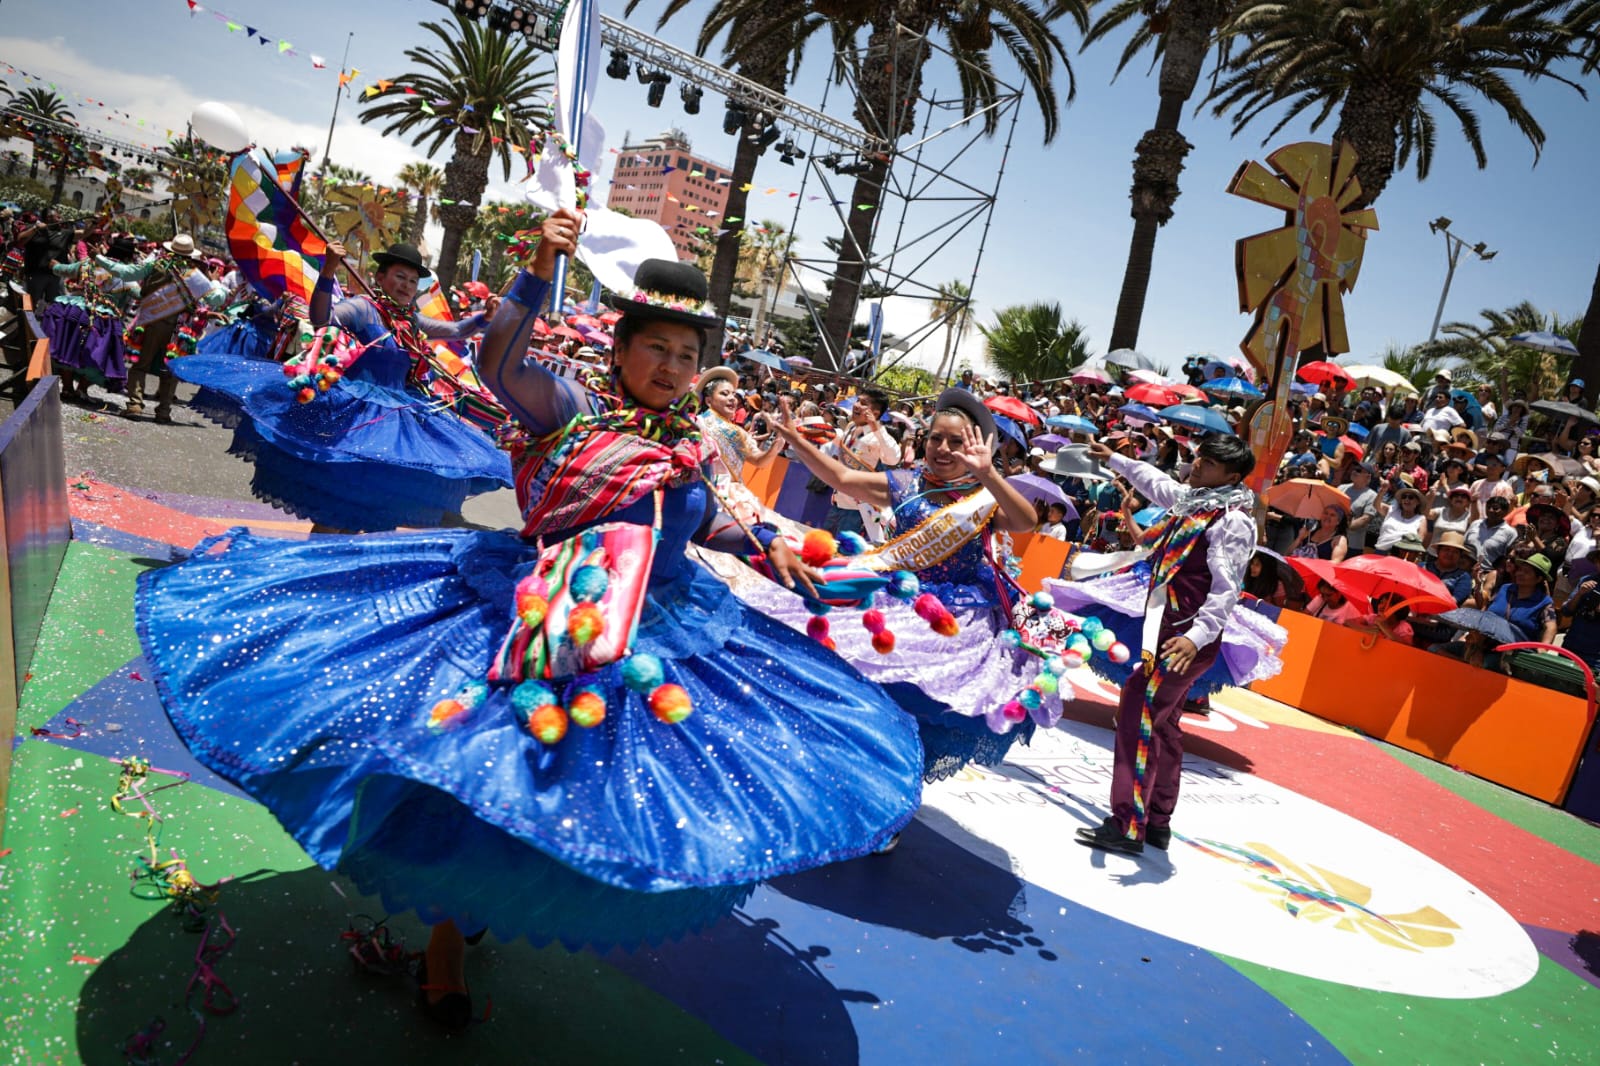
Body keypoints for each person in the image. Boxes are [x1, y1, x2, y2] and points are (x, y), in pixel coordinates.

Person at [136, 212, 923, 1031]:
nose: (673, 365)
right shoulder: (571, 409)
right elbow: (498, 358)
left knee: (577, 781)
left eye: (688, 355)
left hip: (657, 632)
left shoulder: (694, 442)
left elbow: (705, 523)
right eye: (658, 347)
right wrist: (541, 265)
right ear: (621, 350)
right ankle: (447, 938)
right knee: (487, 771)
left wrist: (770, 553)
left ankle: (498, 900)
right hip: (545, 609)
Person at [746, 387, 1057, 782]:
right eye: (935, 438)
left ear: (977, 446)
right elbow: (840, 476)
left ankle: (896, 780)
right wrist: (796, 441)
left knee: (921, 703)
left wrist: (988, 474)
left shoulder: (986, 496)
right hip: (894, 594)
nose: (942, 448)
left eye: (955, 441)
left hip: (954, 616)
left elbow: (1025, 521)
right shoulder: (906, 483)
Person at [170, 240, 512, 532]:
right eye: (399, 277)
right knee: (336, 503)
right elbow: (323, 320)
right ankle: (315, 568)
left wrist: (485, 317)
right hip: (355, 413)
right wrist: (328, 271)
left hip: (397, 418)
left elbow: (453, 332)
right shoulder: (365, 309)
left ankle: (332, 574)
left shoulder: (408, 320)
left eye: (412, 281)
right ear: (381, 278)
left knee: (371, 507)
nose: (406, 285)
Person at [1073, 434, 1260, 856]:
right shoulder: (1197, 503)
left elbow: (1226, 590)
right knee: (1164, 724)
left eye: (1209, 464)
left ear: (1231, 476)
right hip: (1167, 631)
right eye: (1199, 458)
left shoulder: (1232, 520)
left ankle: (1127, 825)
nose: (1197, 466)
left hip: (1182, 640)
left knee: (1139, 716)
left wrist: (1195, 640)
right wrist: (1116, 458)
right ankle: (1156, 821)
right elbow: (1156, 482)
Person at [99, 233, 227, 423]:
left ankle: (135, 404)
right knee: (170, 368)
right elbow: (216, 298)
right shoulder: (194, 274)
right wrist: (213, 280)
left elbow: (126, 272)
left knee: (140, 364)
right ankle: (164, 410)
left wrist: (99, 258)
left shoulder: (155, 265)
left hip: (150, 322)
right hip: (177, 327)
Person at [38, 232, 139, 402]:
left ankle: (68, 388)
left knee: (68, 349)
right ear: (129, 257)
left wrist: (54, 265)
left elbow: (64, 270)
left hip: (74, 311)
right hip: (103, 319)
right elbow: (140, 294)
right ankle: (82, 389)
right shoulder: (127, 275)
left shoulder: (89, 264)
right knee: (98, 353)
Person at [823, 389, 899, 542]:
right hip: (838, 501)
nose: (856, 405)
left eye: (863, 403)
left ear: (875, 413)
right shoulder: (851, 427)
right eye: (857, 401)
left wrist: (876, 428)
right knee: (824, 546)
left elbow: (894, 458)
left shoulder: (878, 437)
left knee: (843, 555)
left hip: (857, 508)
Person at [1485, 553, 1557, 643]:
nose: (1520, 574)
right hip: (1487, 643)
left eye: (1526, 572)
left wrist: (1542, 649)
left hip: (1514, 651)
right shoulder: (1505, 588)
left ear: (1538, 579)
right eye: (1520, 570)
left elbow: (1551, 627)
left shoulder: (1544, 602)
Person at [1372, 481, 1429, 554]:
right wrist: (1382, 491)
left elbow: (1420, 539)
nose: (1407, 499)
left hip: (1401, 555)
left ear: (1418, 502)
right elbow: (1376, 505)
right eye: (1404, 497)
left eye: (1411, 497)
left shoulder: (1421, 519)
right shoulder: (1392, 510)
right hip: (1380, 551)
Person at [1342, 463, 1380, 555]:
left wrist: (1343, 527)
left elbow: (1365, 519)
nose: (1354, 471)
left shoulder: (1372, 496)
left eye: (1358, 471)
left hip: (1352, 545)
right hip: (1334, 539)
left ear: (1368, 477)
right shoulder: (1341, 487)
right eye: (1354, 469)